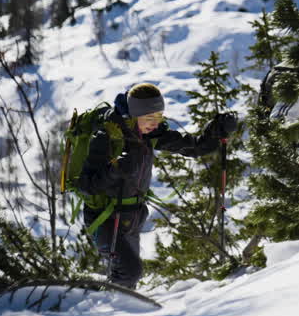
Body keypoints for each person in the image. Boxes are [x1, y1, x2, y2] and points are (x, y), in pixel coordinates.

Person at [76, 82, 238, 289]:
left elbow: (195, 147)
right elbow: (86, 185)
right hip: (106, 217)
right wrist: (117, 169)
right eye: (149, 118)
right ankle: (95, 307)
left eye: (159, 116)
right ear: (134, 115)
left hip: (133, 216)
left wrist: (216, 130)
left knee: (127, 279)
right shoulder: (105, 137)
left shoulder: (151, 134)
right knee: (130, 272)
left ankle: (112, 310)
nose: (155, 123)